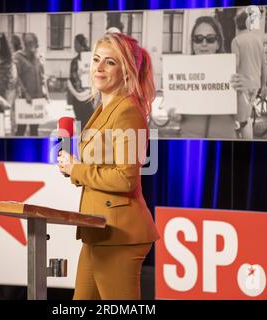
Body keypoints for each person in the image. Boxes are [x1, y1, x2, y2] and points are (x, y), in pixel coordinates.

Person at [57, 32, 160, 300]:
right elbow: (101, 167)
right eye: (96, 59)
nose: (99, 67)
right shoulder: (104, 109)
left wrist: (77, 170)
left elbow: (126, 179)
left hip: (120, 234)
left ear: (126, 71)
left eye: (110, 62)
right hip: (98, 231)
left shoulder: (128, 112)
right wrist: (74, 168)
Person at [173, 16, 254, 139]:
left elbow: (242, 117)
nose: (203, 44)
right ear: (193, 44)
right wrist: (174, 113)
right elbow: (176, 112)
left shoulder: (230, 71)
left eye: (210, 39)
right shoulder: (183, 73)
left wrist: (240, 91)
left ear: (218, 43)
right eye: (198, 39)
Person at [231, 10, 267, 139]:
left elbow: (234, 65)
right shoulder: (258, 40)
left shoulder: (237, 41)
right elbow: (264, 65)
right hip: (255, 84)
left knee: (242, 121)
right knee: (246, 117)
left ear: (238, 24)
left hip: (242, 86)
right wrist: (264, 85)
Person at [13, 32, 48, 136]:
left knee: (34, 130)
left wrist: (44, 92)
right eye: (28, 42)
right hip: (24, 99)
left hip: (37, 99)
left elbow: (41, 76)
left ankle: (33, 151)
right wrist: (25, 93)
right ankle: (16, 150)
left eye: (33, 42)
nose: (31, 44)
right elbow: (16, 78)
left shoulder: (37, 58)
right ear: (24, 43)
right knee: (21, 129)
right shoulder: (17, 57)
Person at [67, 34, 94, 129]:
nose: (74, 46)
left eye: (75, 43)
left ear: (80, 44)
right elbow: (72, 79)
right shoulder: (75, 61)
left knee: (86, 122)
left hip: (88, 97)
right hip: (80, 97)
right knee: (82, 121)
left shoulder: (92, 59)